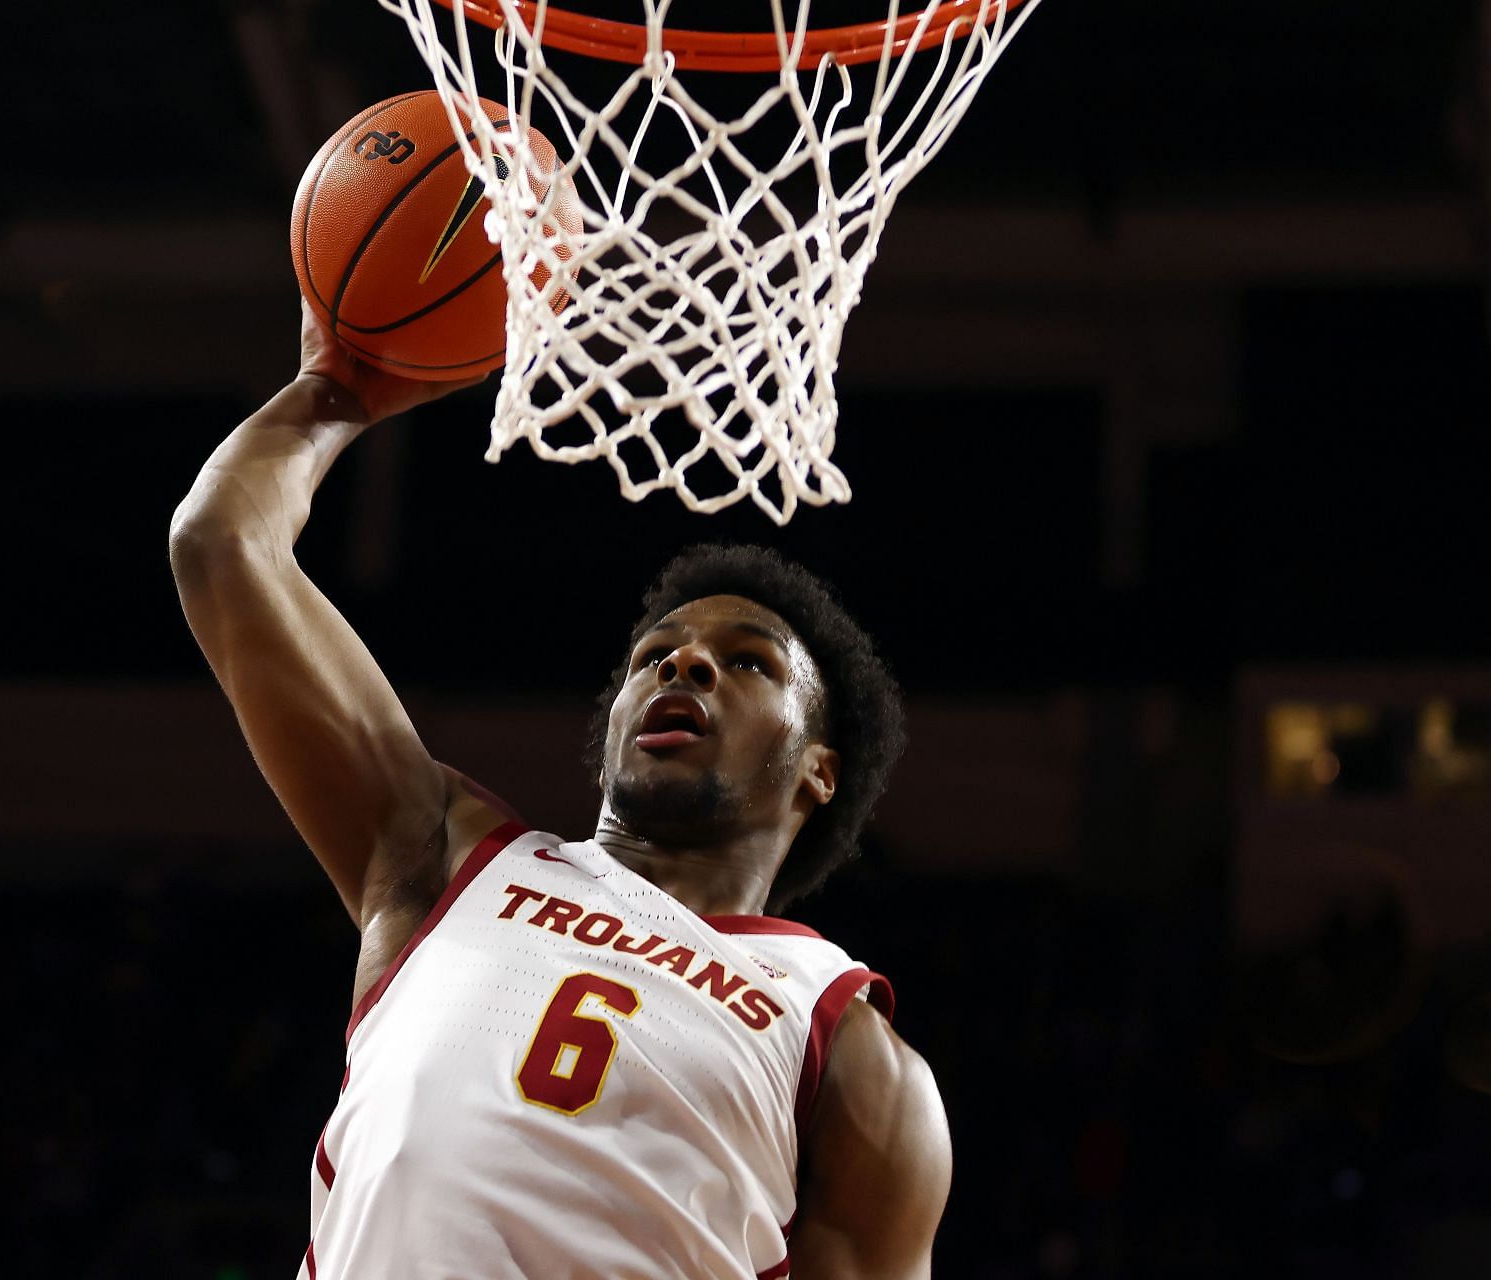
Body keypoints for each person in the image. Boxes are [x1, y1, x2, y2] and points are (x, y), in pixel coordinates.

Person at [168, 303, 951, 1279]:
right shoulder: (444, 855)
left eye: (745, 663)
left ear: (819, 768)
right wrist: (333, 393)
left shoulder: (845, 1046)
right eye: (655, 654)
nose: (685, 667)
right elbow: (221, 545)